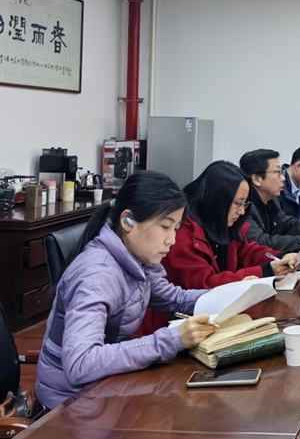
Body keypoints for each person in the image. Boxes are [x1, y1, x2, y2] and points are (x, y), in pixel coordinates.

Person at [35, 171, 216, 410]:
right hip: (70, 404)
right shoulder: (98, 275)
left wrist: (237, 293)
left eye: (176, 228)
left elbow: (176, 300)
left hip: (106, 386)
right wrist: (171, 340)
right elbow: (81, 363)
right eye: (165, 227)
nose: (172, 240)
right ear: (127, 220)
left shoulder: (136, 260)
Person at [158, 160, 298, 292]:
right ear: (216, 201)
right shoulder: (183, 233)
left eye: (244, 204)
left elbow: (248, 252)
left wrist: (281, 257)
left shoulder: (224, 224)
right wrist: (265, 271)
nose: (242, 211)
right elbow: (204, 284)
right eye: (238, 203)